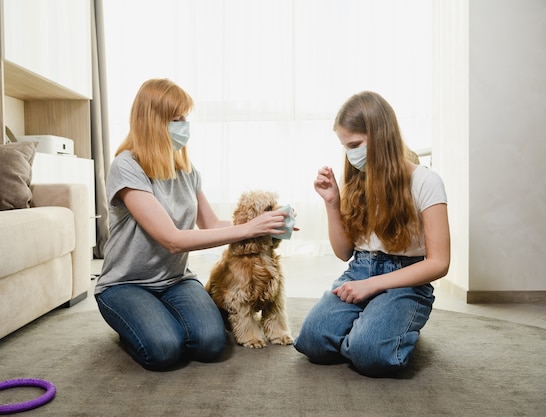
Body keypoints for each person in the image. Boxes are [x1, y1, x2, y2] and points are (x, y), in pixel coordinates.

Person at [95, 78, 291, 371]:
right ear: (152, 122)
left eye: (185, 118)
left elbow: (211, 223)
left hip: (175, 280)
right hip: (126, 285)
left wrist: (268, 225)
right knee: (164, 351)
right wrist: (249, 228)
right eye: (177, 119)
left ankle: (158, 317)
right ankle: (137, 321)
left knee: (211, 344)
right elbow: (172, 239)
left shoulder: (186, 170)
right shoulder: (127, 167)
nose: (184, 126)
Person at [294, 91, 450, 377]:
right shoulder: (356, 181)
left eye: (354, 144)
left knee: (370, 355)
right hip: (360, 269)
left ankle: (391, 326)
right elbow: (344, 253)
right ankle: (380, 324)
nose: (350, 155)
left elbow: (439, 263)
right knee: (312, 342)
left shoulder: (426, 181)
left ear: (381, 135)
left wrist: (374, 286)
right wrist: (331, 202)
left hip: (407, 276)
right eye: (345, 147)